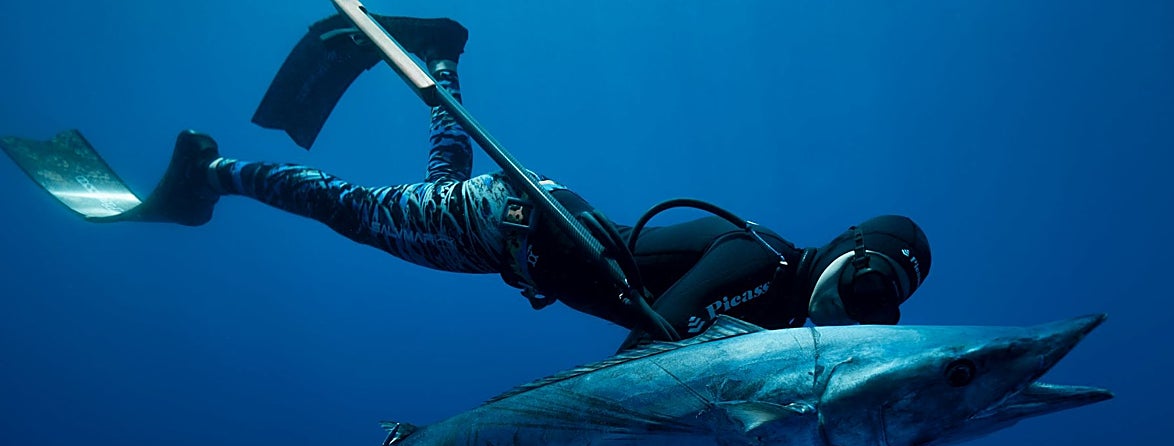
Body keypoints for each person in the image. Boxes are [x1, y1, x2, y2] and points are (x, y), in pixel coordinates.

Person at [0, 14, 932, 344]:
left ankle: (441, 60)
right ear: (847, 248)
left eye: (884, 310)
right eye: (872, 282)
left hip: (515, 229)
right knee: (359, 212)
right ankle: (213, 173)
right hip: (512, 229)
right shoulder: (760, 261)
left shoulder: (785, 311)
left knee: (430, 186)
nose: (867, 309)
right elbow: (653, 342)